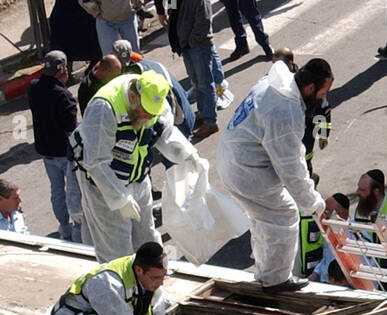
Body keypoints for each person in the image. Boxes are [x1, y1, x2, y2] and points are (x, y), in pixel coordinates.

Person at [217, 57, 338, 292]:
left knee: (263, 218)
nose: (323, 98)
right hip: (247, 171)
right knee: (285, 214)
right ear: (310, 88)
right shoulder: (285, 110)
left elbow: (292, 152)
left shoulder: (273, 84)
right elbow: (290, 168)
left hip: (233, 159)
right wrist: (314, 204)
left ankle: (265, 271)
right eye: (323, 92)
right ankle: (275, 280)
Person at [71, 68, 202, 262]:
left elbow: (165, 133)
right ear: (132, 97)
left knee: (147, 237)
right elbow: (96, 162)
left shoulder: (155, 100)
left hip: (137, 176)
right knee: (117, 247)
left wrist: (188, 154)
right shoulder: (104, 107)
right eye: (145, 112)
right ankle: (121, 289)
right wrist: (120, 199)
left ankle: (152, 285)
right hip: (103, 183)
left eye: (152, 114)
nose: (148, 117)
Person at [29, 51, 83, 242]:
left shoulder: (34, 87)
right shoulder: (64, 96)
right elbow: (71, 129)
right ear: (62, 70)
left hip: (45, 151)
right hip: (64, 153)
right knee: (73, 192)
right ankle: (78, 229)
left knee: (57, 190)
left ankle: (64, 227)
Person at [174, 0, 225, 143]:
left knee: (204, 83)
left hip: (197, 46)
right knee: (196, 82)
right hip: (186, 45)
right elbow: (173, 11)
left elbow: (204, 21)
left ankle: (210, 122)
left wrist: (191, 41)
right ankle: (203, 113)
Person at [305, 190, 349, 280]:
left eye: (327, 212)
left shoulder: (354, 234)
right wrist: (316, 273)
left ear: (340, 213)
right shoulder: (329, 230)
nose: (322, 216)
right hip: (324, 281)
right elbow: (325, 258)